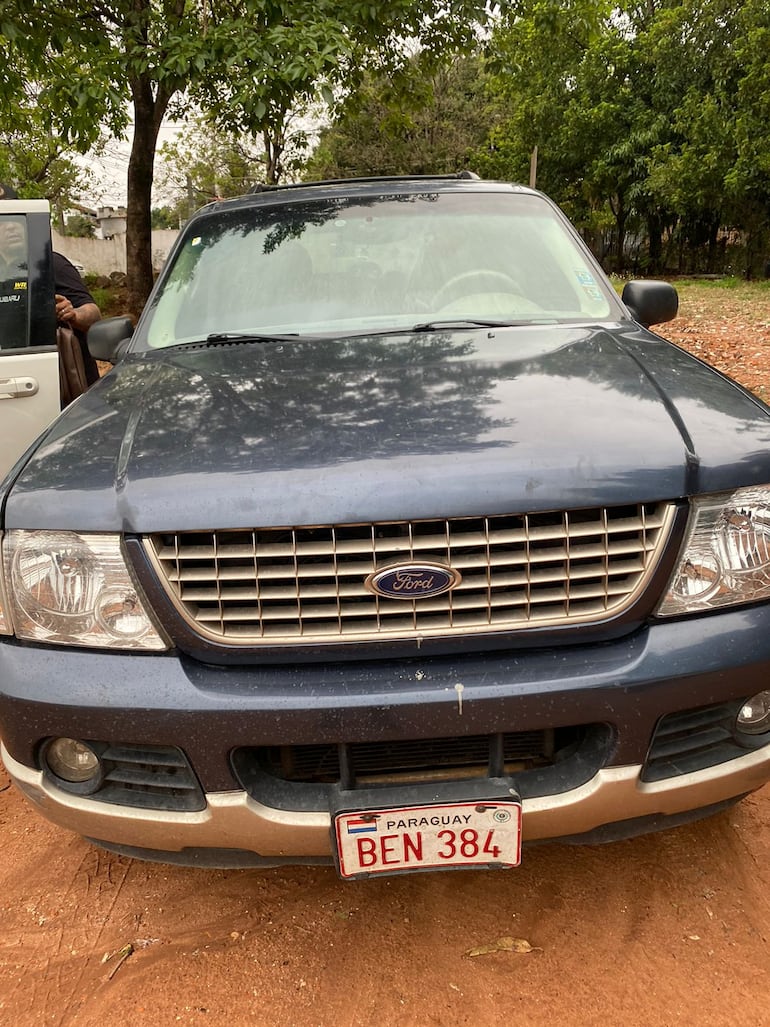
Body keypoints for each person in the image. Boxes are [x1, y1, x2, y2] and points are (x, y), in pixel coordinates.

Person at [0, 182, 102, 380]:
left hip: (62, 385)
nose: (11, 226)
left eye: (15, 218)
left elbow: (94, 314)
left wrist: (73, 314)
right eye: (3, 220)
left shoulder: (50, 263)